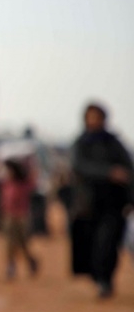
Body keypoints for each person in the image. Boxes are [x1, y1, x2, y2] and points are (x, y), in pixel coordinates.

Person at [69, 103, 133, 299]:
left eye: (97, 117)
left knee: (108, 243)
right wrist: (108, 172)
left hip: (113, 204)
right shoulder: (81, 143)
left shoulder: (114, 143)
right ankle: (98, 277)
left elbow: (128, 170)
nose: (94, 121)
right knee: (90, 245)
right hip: (88, 205)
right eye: (91, 117)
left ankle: (106, 279)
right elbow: (80, 166)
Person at [0, 158, 38, 280]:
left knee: (23, 243)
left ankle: (30, 260)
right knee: (10, 243)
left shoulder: (23, 184)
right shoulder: (7, 183)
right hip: (9, 216)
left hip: (21, 216)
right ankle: (11, 265)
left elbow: (33, 184)